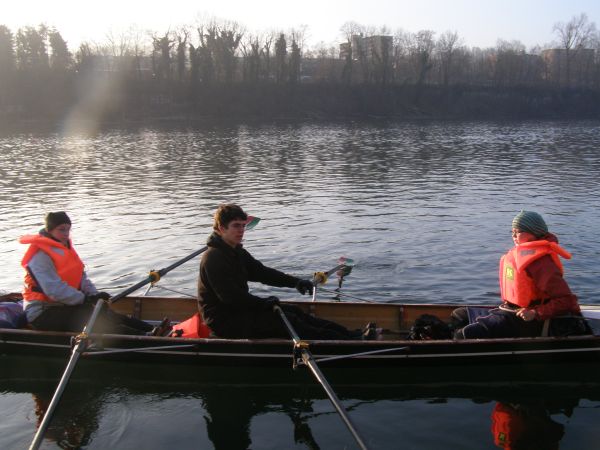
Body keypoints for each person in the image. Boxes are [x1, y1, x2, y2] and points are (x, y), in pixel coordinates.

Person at [197, 204, 373, 340]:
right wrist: (264, 303)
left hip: (239, 312)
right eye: (236, 226)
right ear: (221, 228)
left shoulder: (236, 251)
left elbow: (263, 273)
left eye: (243, 225)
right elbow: (231, 298)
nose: (241, 231)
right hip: (224, 322)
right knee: (288, 321)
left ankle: (352, 335)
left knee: (294, 312)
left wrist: (296, 282)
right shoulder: (214, 258)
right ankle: (349, 342)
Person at [19, 212, 168, 335]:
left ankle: (155, 330)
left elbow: (81, 278)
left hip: (64, 305)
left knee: (106, 314)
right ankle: (147, 337)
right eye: (61, 229)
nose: (66, 234)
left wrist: (95, 296)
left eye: (68, 229)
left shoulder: (64, 248)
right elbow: (54, 290)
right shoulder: (40, 257)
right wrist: (85, 299)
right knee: (95, 321)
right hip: (42, 312)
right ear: (50, 230)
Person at [454, 210, 585, 339]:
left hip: (531, 320)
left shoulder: (541, 263)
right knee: (459, 315)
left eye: (518, 232)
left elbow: (567, 301)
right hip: (513, 311)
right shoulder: (522, 254)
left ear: (534, 233)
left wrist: (535, 313)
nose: (514, 236)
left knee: (464, 334)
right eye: (513, 232)